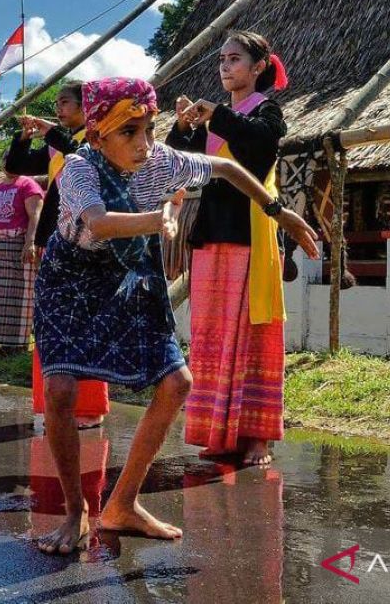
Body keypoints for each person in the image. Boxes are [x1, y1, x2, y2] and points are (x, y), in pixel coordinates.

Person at [32, 77, 319, 555]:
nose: (144, 144)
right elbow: (99, 223)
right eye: (129, 133)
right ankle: (76, 513)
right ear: (98, 135)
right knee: (61, 389)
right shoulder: (79, 169)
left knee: (176, 383)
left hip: (128, 278)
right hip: (73, 280)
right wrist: (156, 220)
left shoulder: (162, 161)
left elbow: (227, 167)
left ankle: (121, 505)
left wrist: (277, 211)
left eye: (149, 128)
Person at [167, 30, 289, 467]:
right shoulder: (217, 120)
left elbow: (258, 149)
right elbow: (177, 162)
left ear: (259, 67)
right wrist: (181, 128)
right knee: (213, 334)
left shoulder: (268, 113)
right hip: (212, 232)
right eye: (221, 59)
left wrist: (215, 115)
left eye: (234, 59)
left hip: (252, 232)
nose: (225, 66)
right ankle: (218, 432)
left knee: (254, 332)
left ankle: (258, 437)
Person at [9, 82, 110, 428]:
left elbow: (78, 154)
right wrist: (24, 137)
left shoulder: (97, 140)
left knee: (83, 321)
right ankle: (56, 404)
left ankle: (89, 408)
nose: (59, 108)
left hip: (85, 243)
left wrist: (51, 133)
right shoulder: (57, 149)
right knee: (52, 322)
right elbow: (15, 164)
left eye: (65, 102)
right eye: (57, 104)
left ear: (87, 107)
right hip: (56, 241)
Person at [0, 151, 45, 347]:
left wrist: (30, 243)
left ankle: (17, 345)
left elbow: (35, 216)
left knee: (18, 296)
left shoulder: (28, 185)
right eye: (6, 161)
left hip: (17, 246)